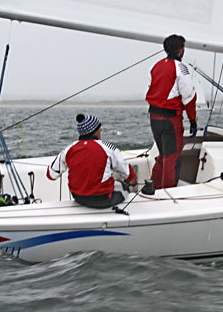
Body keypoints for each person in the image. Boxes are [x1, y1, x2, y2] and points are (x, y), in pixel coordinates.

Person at [47, 113, 137, 209]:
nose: (101, 130)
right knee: (125, 187)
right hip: (103, 199)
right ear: (95, 131)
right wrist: (132, 183)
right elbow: (129, 176)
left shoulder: (68, 149)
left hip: (78, 198)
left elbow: (51, 175)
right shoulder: (108, 148)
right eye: (99, 128)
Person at [145, 34, 198, 189]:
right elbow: (189, 97)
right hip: (170, 119)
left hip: (154, 117)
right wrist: (193, 121)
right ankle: (167, 193)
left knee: (163, 155)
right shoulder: (181, 68)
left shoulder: (156, 66)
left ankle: (153, 188)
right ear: (180, 50)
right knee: (172, 157)